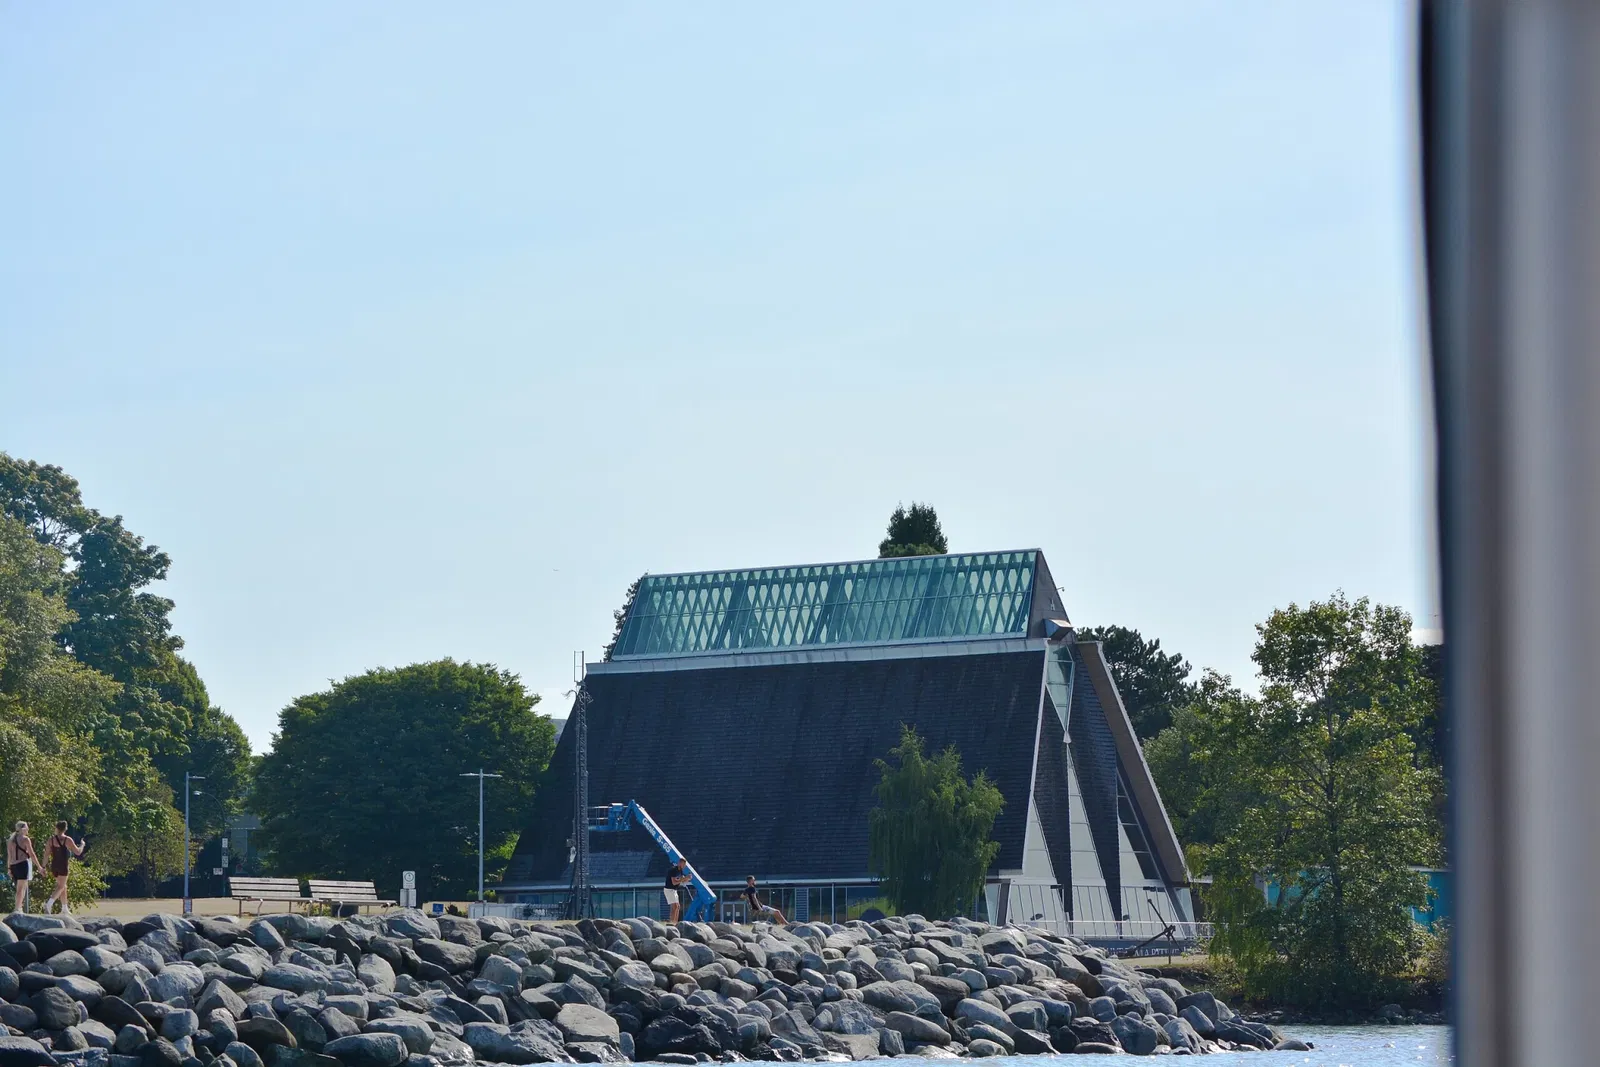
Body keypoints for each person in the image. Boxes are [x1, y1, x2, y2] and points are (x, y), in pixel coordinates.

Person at [43, 822, 85, 915]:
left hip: (54, 865)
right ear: (65, 829)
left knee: (63, 886)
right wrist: (82, 845)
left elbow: (46, 854)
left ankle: (64, 908)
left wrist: (43, 866)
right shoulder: (67, 839)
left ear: (56, 828)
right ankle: (49, 904)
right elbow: (78, 852)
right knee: (61, 886)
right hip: (63, 865)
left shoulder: (51, 840)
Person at [6, 822, 40, 913]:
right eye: (27, 827)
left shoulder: (10, 840)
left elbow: (9, 856)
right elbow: (32, 854)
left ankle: (18, 907)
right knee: (21, 888)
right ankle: (17, 908)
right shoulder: (25, 839)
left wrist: (9, 868)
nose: (28, 829)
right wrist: (39, 867)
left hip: (13, 865)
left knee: (19, 888)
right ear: (22, 829)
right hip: (22, 864)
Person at [663, 858, 690, 925]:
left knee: (677, 906)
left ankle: (675, 922)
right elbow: (674, 882)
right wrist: (684, 879)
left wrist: (687, 879)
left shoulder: (680, 871)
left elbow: (680, 881)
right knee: (674, 906)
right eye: (683, 864)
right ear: (680, 863)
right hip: (669, 889)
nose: (684, 866)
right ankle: (672, 921)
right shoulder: (673, 870)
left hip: (674, 890)